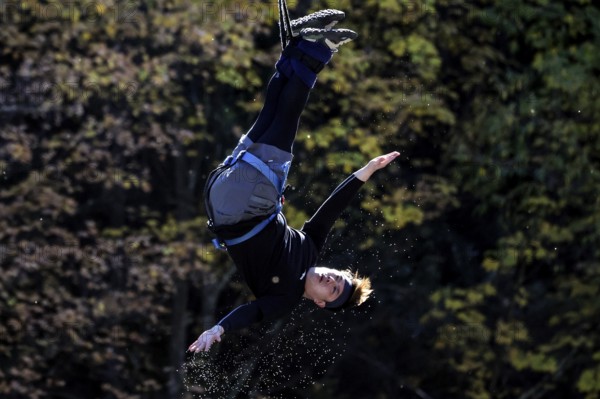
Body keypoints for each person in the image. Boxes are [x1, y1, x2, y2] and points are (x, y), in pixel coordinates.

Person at [188, 10, 399, 354]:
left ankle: (318, 48)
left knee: (288, 117)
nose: (330, 281)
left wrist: (218, 329)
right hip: (229, 191)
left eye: (331, 291)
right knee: (272, 111)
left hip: (243, 205)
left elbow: (252, 311)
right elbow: (332, 209)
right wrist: (366, 171)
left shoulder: (283, 298)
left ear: (319, 303)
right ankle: (300, 45)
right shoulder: (311, 247)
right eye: (337, 277)